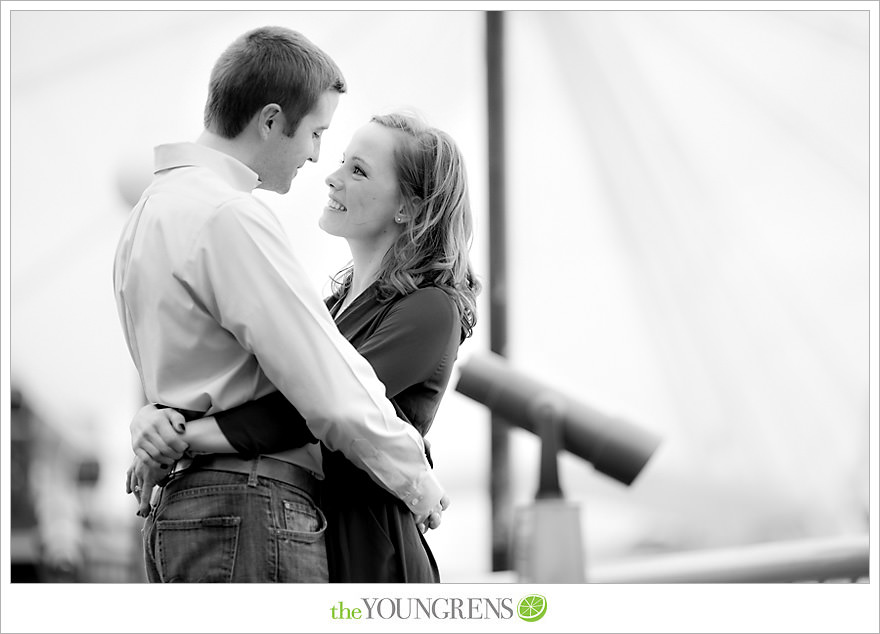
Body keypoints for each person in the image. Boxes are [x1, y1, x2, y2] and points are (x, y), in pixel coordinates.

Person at [113, 26, 448, 583]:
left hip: (184, 504)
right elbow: (326, 393)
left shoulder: (150, 212)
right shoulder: (231, 216)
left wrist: (159, 425)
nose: (317, 158)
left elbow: (177, 374)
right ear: (271, 121)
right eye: (316, 133)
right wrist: (419, 480)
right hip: (249, 503)